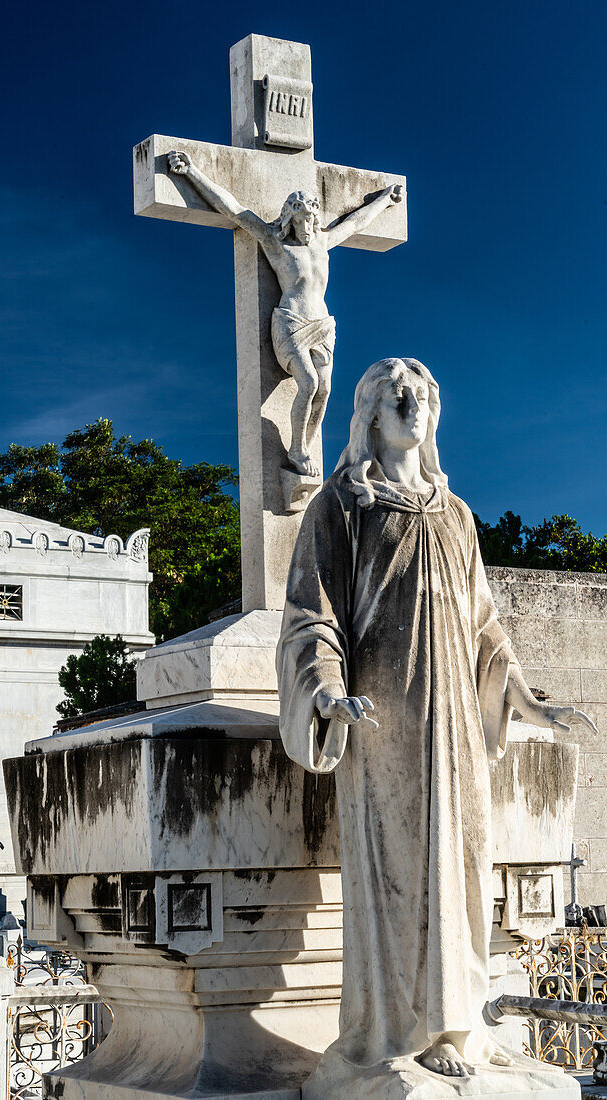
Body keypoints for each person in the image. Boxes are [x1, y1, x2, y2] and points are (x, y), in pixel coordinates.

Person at [276, 357, 596, 1090]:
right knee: (397, 874)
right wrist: (324, 692)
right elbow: (311, 615)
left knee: (461, 865)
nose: (410, 402)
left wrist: (523, 699)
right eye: (394, 394)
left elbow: (485, 626)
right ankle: (400, 1030)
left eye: (420, 393)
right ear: (370, 416)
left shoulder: (456, 516)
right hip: (384, 721)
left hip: (454, 717)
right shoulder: (343, 507)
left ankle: (458, 1021)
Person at [168, 150, 402, 477]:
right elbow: (234, 209)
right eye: (301, 219)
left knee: (325, 389)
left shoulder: (323, 242)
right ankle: (297, 449)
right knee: (307, 383)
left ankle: (305, 445)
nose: (307, 226)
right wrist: (191, 172)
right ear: (290, 218)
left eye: (311, 219)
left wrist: (384, 201)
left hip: (322, 325)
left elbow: (355, 221)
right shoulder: (275, 242)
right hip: (290, 322)